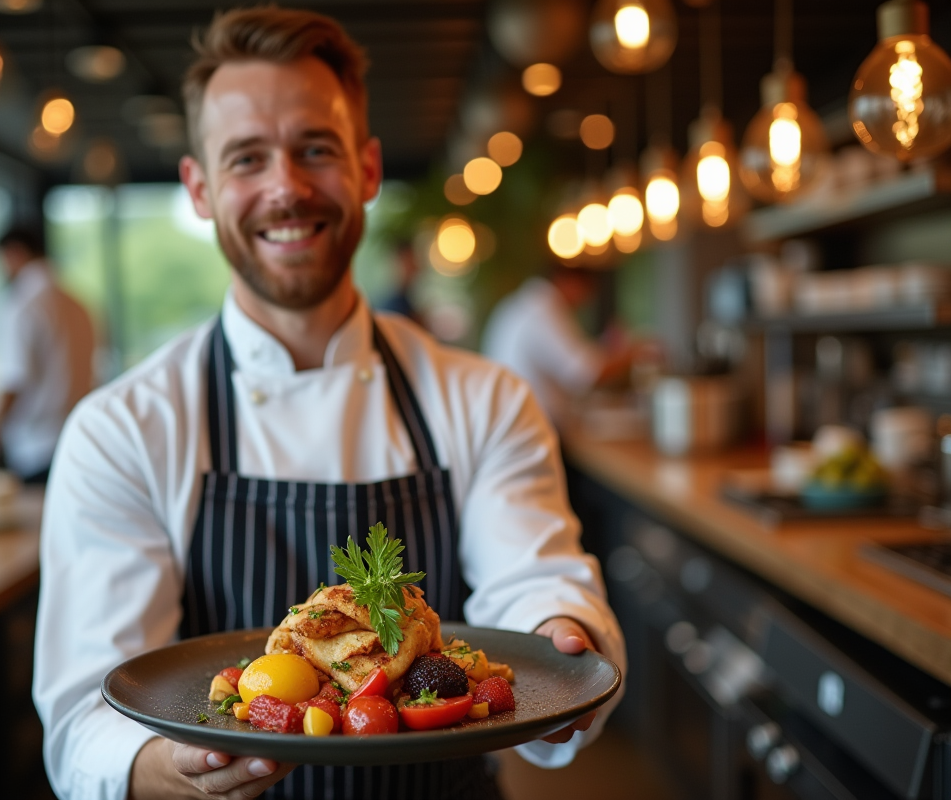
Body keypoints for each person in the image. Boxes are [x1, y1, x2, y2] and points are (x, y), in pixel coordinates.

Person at [32, 8, 625, 800]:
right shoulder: (123, 429)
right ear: (200, 188)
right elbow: (86, 718)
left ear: (368, 169)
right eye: (247, 158)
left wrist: (562, 635)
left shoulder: (484, 399)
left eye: (316, 148)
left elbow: (535, 585)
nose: (287, 187)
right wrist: (175, 771)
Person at [0, 225, 95, 483]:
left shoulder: (21, 305)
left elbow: (14, 379)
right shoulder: (78, 303)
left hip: (36, 446)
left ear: (15, 253)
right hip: (78, 439)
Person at [482, 267, 632, 426]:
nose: (586, 301)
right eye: (587, 291)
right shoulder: (544, 309)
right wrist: (633, 354)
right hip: (530, 425)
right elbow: (586, 373)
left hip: (511, 419)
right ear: (569, 281)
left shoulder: (524, 303)